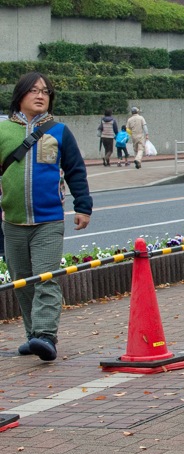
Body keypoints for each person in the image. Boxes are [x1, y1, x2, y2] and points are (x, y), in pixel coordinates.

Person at [0, 71, 93, 361]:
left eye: (46, 91)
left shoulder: (59, 131)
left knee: (46, 278)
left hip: (49, 220)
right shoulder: (3, 131)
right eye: (34, 90)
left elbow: (76, 170)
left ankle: (45, 335)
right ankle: (33, 336)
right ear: (20, 95)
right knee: (22, 281)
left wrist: (83, 206)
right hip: (12, 221)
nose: (41, 95)